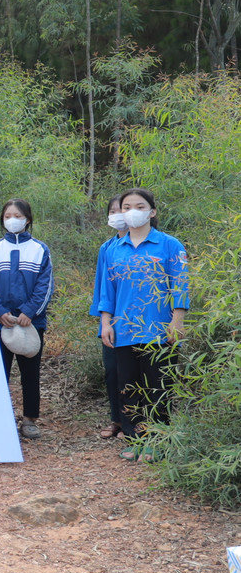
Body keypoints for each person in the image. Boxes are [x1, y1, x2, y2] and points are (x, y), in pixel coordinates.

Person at [98, 188, 188, 459]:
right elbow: (107, 290)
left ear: (152, 212)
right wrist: (106, 323)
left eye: (139, 206)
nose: (132, 211)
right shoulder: (114, 249)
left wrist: (178, 319)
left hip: (159, 329)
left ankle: (158, 442)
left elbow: (180, 284)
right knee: (128, 386)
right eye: (126, 207)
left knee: (158, 386)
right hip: (124, 329)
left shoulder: (170, 245)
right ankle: (136, 440)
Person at [0, 199, 54, 440]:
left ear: (28, 219)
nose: (12, 219)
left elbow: (45, 285)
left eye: (18, 215)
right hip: (0, 321)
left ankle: (30, 419)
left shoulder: (39, 249)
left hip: (31, 322)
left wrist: (29, 312)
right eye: (7, 216)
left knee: (30, 372)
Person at [90, 195, 130, 440]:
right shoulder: (107, 248)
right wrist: (103, 320)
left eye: (121, 210)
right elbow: (102, 286)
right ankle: (116, 419)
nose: (116, 215)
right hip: (111, 320)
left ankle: (133, 424)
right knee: (112, 371)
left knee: (134, 374)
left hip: (138, 322)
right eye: (112, 211)